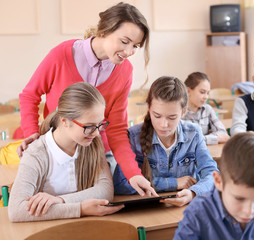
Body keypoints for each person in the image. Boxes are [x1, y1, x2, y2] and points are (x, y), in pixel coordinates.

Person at [16, 2, 156, 196]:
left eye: (135, 46)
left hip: (96, 154)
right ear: (105, 30)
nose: (129, 51)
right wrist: (31, 133)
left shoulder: (125, 71)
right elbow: (30, 96)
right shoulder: (62, 55)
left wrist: (132, 173)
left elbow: (115, 129)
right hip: (58, 151)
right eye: (125, 42)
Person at [8, 83, 123, 222]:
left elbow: (105, 191)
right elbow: (16, 210)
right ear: (64, 121)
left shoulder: (93, 144)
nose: (97, 133)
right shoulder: (36, 153)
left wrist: (60, 200)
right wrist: (80, 209)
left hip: (84, 227)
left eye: (99, 124)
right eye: (89, 126)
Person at [113, 76, 219, 207]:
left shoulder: (194, 133)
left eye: (172, 117)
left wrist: (192, 193)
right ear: (149, 108)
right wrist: (173, 183)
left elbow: (212, 175)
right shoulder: (134, 136)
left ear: (183, 112)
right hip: (147, 210)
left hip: (185, 207)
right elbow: (120, 184)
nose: (164, 124)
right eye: (157, 116)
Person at [182, 72, 230, 145]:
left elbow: (223, 134)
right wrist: (215, 139)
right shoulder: (179, 112)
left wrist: (202, 139)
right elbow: (186, 142)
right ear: (188, 91)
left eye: (207, 93)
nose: (206, 97)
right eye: (202, 92)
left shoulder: (207, 109)